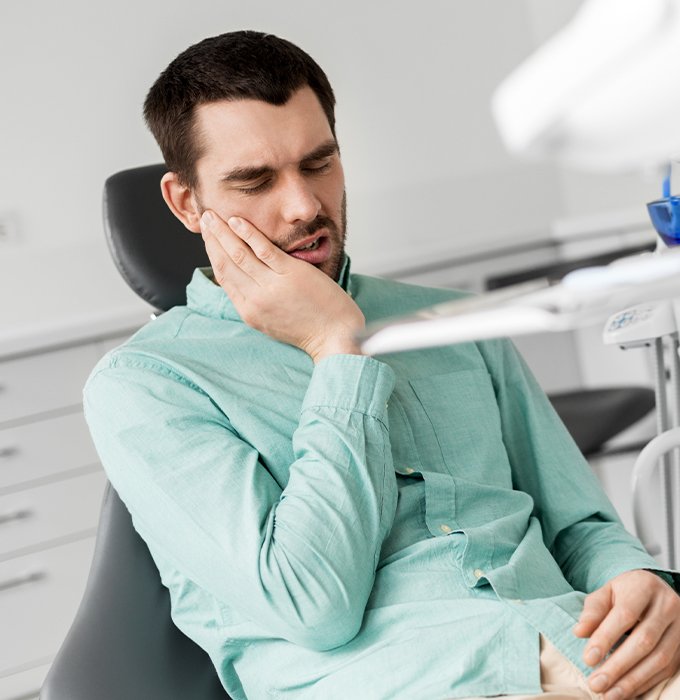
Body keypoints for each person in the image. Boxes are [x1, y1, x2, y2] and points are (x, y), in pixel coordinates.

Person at [83, 30, 680, 700]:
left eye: (319, 164)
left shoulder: (454, 322)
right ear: (186, 202)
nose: (304, 205)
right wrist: (337, 349)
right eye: (255, 181)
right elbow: (312, 606)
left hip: (585, 650)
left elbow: (578, 526)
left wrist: (639, 581)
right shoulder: (146, 386)